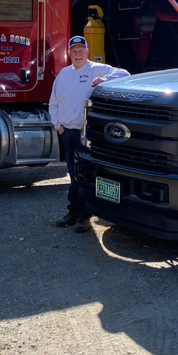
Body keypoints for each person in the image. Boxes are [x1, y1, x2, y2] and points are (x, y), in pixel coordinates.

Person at [49, 36, 129, 232]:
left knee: (82, 176)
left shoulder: (97, 69)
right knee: (72, 175)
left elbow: (125, 74)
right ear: (69, 54)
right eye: (74, 51)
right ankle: (74, 212)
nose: (77, 55)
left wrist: (105, 79)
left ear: (87, 52)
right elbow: (54, 102)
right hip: (66, 132)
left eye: (80, 51)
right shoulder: (63, 74)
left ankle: (83, 217)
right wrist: (57, 124)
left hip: (85, 133)